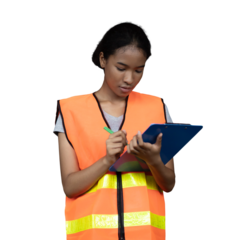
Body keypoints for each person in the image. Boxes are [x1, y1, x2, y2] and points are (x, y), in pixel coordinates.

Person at [52, 19, 176, 240]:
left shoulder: (157, 106)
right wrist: (107, 159)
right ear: (103, 59)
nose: (129, 79)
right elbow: (69, 187)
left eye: (139, 70)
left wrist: (154, 161)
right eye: (121, 68)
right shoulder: (71, 110)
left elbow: (170, 185)